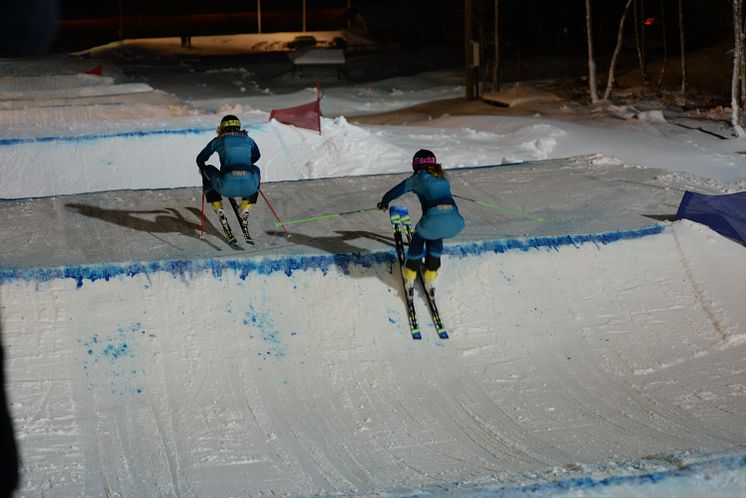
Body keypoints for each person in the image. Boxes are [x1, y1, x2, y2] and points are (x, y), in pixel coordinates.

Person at [377, 149, 465, 295]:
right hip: (456, 222)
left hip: (433, 220)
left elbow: (394, 192)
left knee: (418, 238)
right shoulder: (443, 177)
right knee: (435, 236)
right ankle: (431, 274)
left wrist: (384, 202)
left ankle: (410, 274)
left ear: (415, 165)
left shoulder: (417, 178)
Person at [196, 115, 261, 229]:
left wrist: (203, 170)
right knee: (255, 169)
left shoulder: (218, 141)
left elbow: (200, 159)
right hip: (250, 188)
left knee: (207, 168)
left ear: (221, 128)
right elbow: (257, 155)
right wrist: (246, 166)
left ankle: (217, 206)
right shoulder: (248, 140)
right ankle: (247, 204)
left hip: (226, 187)